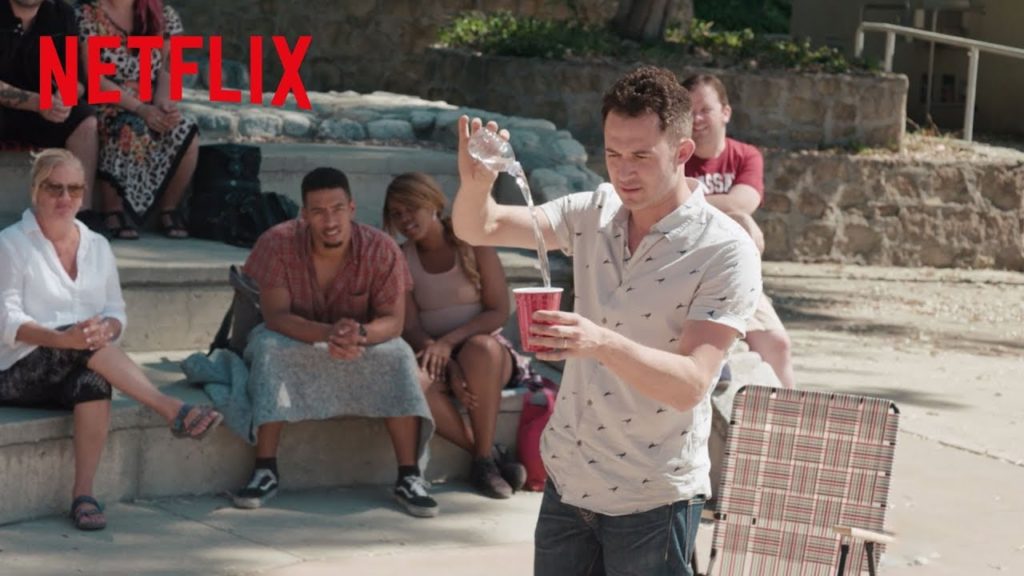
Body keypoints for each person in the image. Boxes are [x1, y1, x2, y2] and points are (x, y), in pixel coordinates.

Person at [452, 66, 763, 575]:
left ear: (682, 152)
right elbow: (479, 227)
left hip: (653, 498)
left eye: (641, 155)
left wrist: (599, 342)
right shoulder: (593, 212)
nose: (624, 172)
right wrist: (475, 185)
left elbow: (691, 385)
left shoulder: (724, 250)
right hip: (569, 481)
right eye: (613, 154)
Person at [0, 149, 222, 532]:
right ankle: (172, 409)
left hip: (77, 360)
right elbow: (7, 318)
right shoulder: (11, 243)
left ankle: (83, 494)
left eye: (74, 189)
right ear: (36, 190)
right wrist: (62, 338)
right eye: (54, 188)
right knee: (85, 342)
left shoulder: (97, 245)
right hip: (15, 370)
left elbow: (116, 312)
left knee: (95, 380)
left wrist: (109, 330)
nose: (65, 198)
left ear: (84, 194)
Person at [231, 167, 438, 518]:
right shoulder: (277, 242)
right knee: (268, 349)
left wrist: (359, 335)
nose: (330, 221)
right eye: (318, 211)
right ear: (304, 214)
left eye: (337, 209)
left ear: (352, 208)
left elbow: (393, 320)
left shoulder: (381, 248)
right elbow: (276, 316)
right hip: (294, 336)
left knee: (399, 355)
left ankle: (409, 475)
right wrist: (328, 334)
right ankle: (265, 469)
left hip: (360, 341)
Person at [383, 172, 529, 500]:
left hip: (487, 354)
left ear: (433, 203)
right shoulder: (401, 258)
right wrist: (447, 362)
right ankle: (485, 458)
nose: (405, 218)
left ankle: (484, 457)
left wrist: (449, 343)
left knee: (481, 350)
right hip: (434, 355)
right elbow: (411, 327)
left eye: (411, 208)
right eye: (396, 213)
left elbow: (498, 310)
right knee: (413, 378)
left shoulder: (472, 242)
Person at [682, 73, 796, 389]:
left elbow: (743, 201)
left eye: (705, 110)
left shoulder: (746, 156)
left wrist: (699, 205)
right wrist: (736, 217)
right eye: (689, 111)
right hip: (686, 269)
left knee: (778, 345)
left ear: (726, 112)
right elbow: (665, 206)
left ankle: (790, 415)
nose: (697, 119)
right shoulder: (676, 155)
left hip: (734, 270)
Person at [75, 0, 198, 239]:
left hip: (150, 100)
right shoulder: (86, 14)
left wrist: (163, 104)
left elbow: (168, 69)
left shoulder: (163, 15)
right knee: (124, 126)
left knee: (185, 129)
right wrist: (140, 109)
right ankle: (113, 210)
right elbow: (93, 78)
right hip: (108, 100)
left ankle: (169, 208)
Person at [0, 0, 98, 207]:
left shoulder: (61, 14)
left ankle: (83, 212)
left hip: (45, 109)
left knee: (85, 119)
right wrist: (37, 102)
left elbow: (76, 78)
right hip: (12, 108)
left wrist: (65, 96)